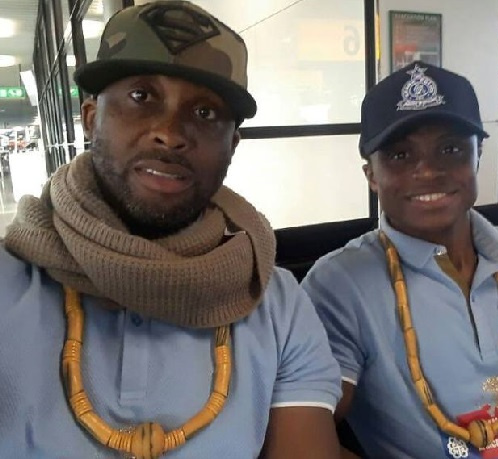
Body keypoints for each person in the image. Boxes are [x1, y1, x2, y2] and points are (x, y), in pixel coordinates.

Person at [0, 2, 342, 458]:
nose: (170, 133)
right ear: (90, 118)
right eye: (142, 96)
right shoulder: (10, 283)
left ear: (232, 146)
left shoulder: (274, 303)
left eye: (205, 114)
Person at [302, 61, 498, 458]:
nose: (427, 171)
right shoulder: (340, 283)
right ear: (371, 175)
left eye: (451, 149)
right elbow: (302, 430)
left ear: (478, 156)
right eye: (400, 155)